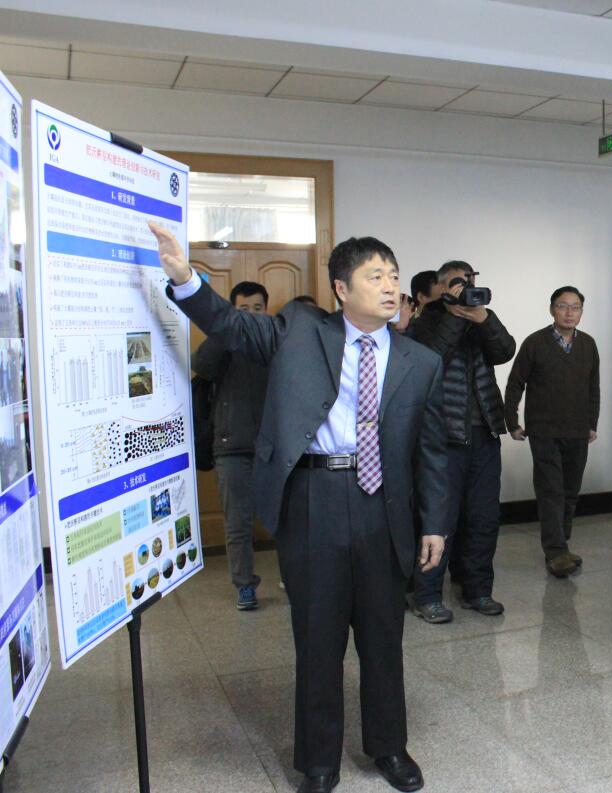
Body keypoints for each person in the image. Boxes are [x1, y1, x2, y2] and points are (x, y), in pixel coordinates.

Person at [149, 222, 448, 793]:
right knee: (318, 638)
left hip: (385, 505)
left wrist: (434, 523)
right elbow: (232, 326)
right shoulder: (300, 331)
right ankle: (318, 761)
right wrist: (185, 278)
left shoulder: (420, 361)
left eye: (393, 276)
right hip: (315, 497)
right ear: (341, 289)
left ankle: (389, 747)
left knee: (384, 637)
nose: (390, 286)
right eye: (375, 276)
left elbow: (432, 450)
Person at [409, 260, 515, 623]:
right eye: (457, 281)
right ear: (440, 286)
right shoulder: (427, 320)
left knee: (483, 518)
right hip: (443, 436)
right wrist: (455, 315)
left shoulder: (481, 317)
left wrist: (483, 319)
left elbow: (505, 350)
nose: (465, 286)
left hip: (485, 431)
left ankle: (477, 590)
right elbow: (430, 360)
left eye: (470, 280)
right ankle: (426, 595)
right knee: (439, 519)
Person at [504, 286, 600, 578]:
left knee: (570, 492)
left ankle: (563, 545)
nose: (569, 312)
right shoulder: (535, 343)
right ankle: (555, 552)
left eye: (575, 307)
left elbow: (593, 387)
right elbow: (515, 383)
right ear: (551, 309)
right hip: (544, 430)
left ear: (581, 312)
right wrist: (512, 421)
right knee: (551, 492)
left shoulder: (588, 344)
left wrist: (592, 423)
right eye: (562, 306)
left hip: (577, 430)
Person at [191, 280, 271, 610]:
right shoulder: (222, 341)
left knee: (289, 520)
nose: (251, 315)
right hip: (231, 447)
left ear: (266, 310)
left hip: (273, 448)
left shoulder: (275, 339)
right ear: (232, 311)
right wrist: (224, 332)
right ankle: (244, 585)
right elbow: (202, 366)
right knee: (237, 523)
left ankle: (294, 579)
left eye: (257, 308)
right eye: (243, 309)